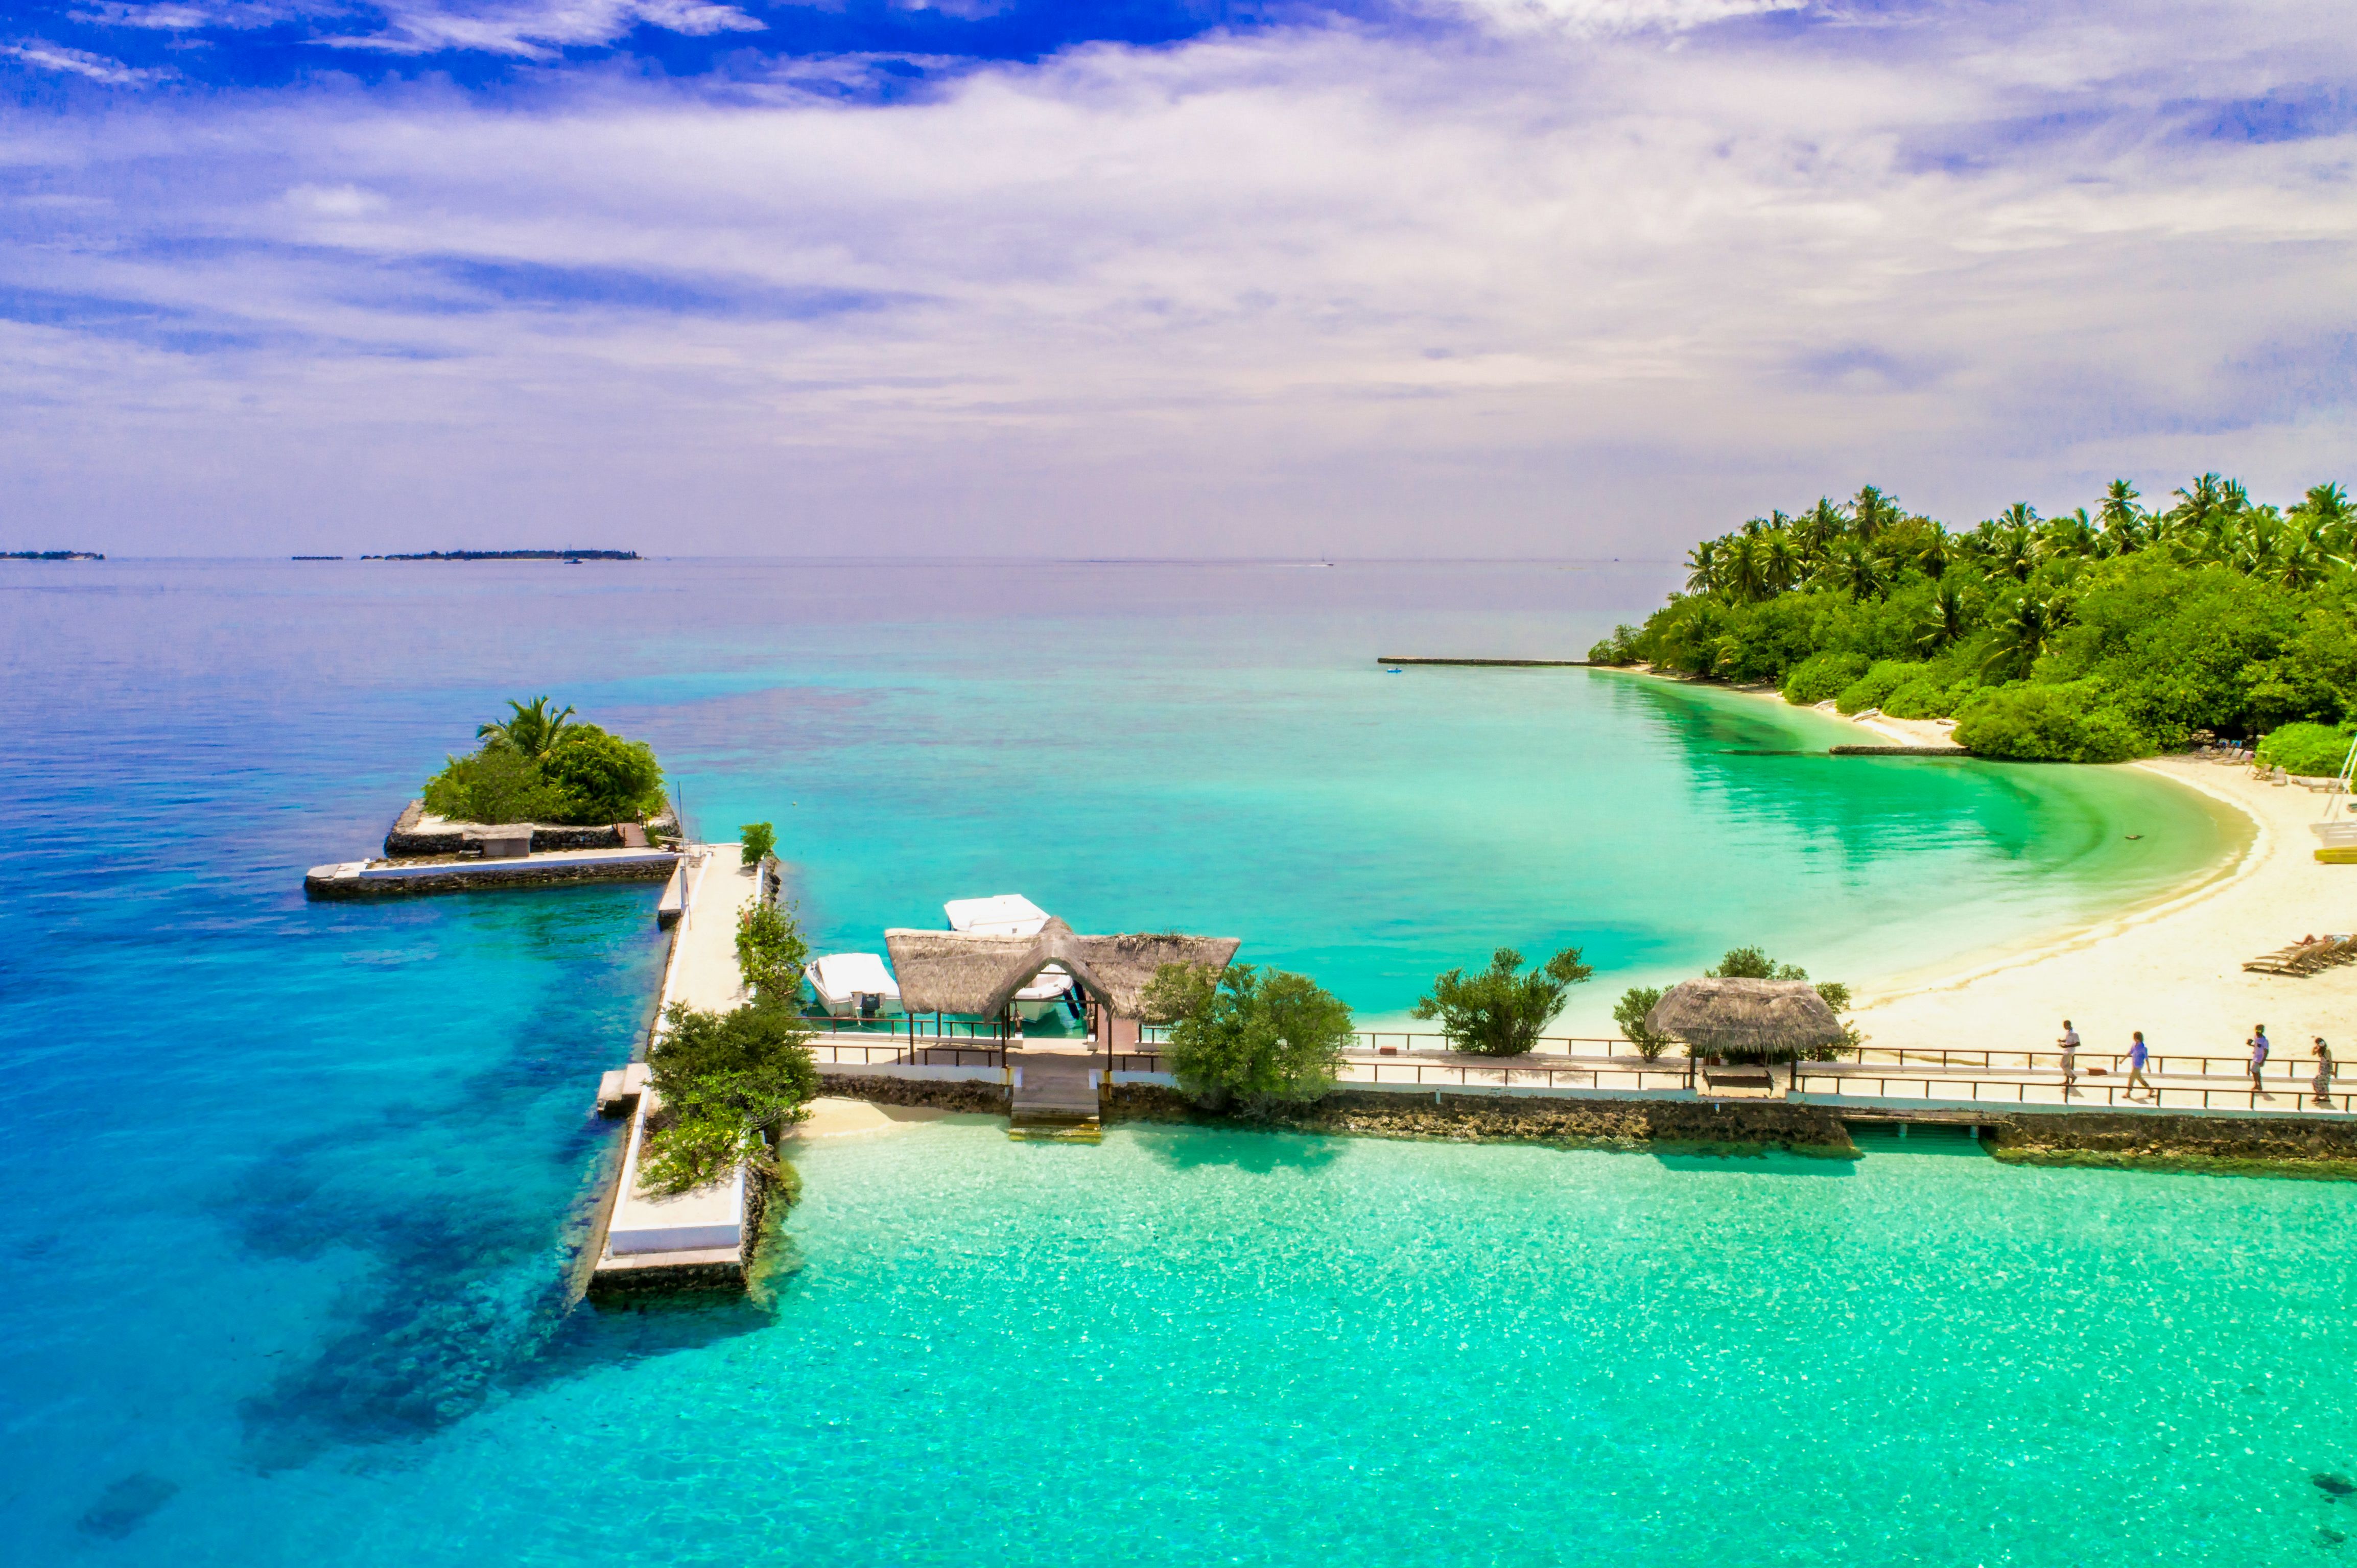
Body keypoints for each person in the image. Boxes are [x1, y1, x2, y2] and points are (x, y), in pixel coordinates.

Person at [2124, 1031, 2153, 1100]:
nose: (2135, 1040)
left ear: (2139, 1039)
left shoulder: (2143, 1048)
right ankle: (2151, 1089)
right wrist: (2123, 1059)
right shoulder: (2134, 1045)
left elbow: (2146, 1058)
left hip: (2139, 1066)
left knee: (2131, 1078)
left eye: (2136, 1039)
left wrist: (2149, 1068)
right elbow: (2130, 1052)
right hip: (2134, 1064)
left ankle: (2128, 1093)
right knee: (2140, 1079)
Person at [2058, 1020, 2079, 1098]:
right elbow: (2068, 1041)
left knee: (2063, 1065)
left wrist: (2066, 1046)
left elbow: (2078, 1043)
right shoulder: (2068, 1032)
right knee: (2067, 1066)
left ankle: (2073, 1076)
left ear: (2068, 1025)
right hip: (2066, 1051)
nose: (2064, 1026)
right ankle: (2067, 1081)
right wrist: (2062, 1041)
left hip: (2069, 1052)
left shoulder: (2074, 1033)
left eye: (2065, 1025)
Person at [2249, 1025, 2271, 1092]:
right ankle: (2258, 1085)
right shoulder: (2256, 1038)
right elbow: (2257, 1046)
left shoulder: (2264, 1041)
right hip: (2255, 1057)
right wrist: (2250, 1044)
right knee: (2256, 1071)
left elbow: (2266, 1051)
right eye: (2257, 1030)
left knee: (2253, 1070)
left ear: (2262, 1031)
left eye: (2259, 1031)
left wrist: (2263, 1061)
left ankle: (2258, 1085)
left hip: (2259, 1059)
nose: (2258, 1032)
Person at [2316, 1038, 2336, 1108]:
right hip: (2322, 1069)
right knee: (2320, 1082)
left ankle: (2324, 1096)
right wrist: (2316, 1048)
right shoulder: (2321, 1049)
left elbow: (2330, 1060)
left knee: (2323, 1082)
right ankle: (2320, 1096)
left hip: (2326, 1069)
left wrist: (2331, 1069)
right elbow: (2313, 1053)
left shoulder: (2327, 1050)